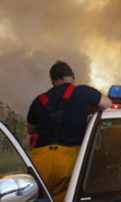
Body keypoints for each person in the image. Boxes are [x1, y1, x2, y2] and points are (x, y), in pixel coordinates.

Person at [27, 60, 112, 201]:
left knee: (39, 196)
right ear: (72, 76)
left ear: (52, 80)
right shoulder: (83, 92)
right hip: (70, 158)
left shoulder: (39, 100)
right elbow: (108, 104)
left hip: (41, 160)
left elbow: (31, 129)